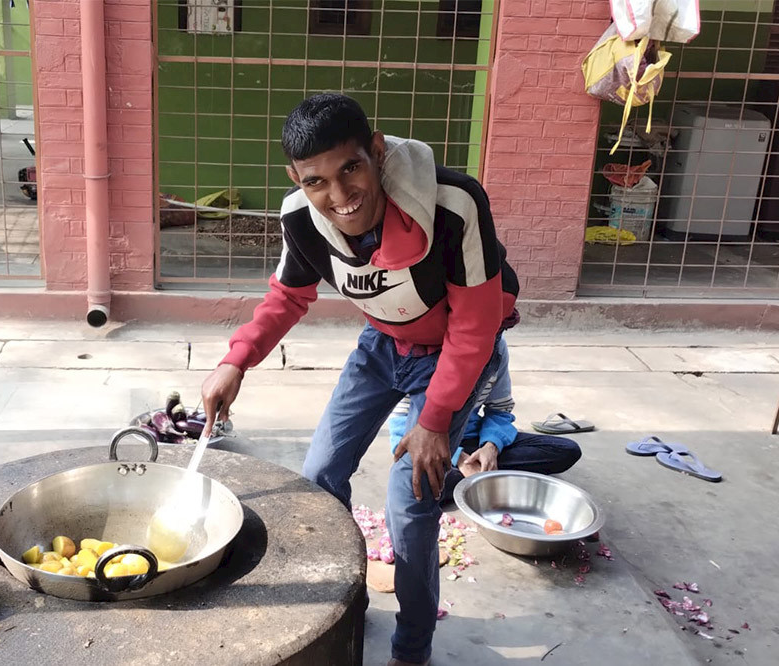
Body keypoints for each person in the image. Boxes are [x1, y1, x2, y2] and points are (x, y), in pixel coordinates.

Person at [200, 93, 519, 666]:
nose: (340, 196)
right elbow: (288, 295)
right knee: (319, 476)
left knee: (411, 500)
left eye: (351, 168)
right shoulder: (302, 218)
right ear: (296, 179)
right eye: (316, 180)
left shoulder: (453, 204)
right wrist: (236, 359)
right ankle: (342, 605)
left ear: (376, 152)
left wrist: (435, 419)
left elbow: (475, 327)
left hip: (455, 352)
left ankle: (411, 649)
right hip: (381, 346)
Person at [387, 336, 581, 499]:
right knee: (414, 488)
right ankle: (483, 478)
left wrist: (491, 446)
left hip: (475, 440)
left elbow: (500, 409)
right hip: (428, 445)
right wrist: (458, 459)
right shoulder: (422, 346)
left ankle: (477, 476)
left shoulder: (496, 347)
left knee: (566, 451)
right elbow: (402, 425)